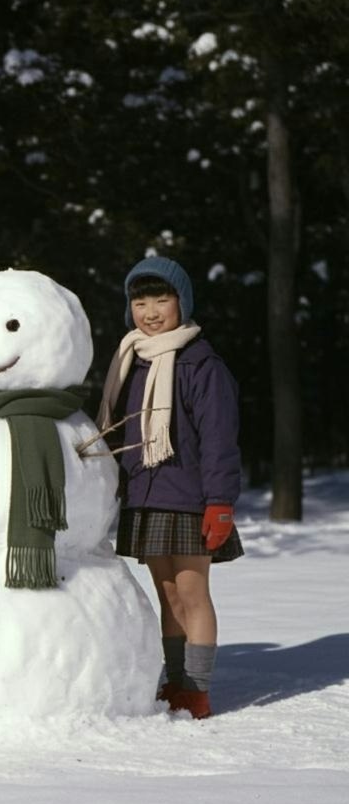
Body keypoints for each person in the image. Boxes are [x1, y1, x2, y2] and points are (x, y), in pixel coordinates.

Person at [97, 256, 243, 720]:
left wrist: (220, 503)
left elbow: (220, 438)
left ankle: (197, 690)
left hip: (190, 498)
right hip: (146, 495)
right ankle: (176, 681)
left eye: (162, 299)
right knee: (168, 595)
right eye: (141, 301)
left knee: (192, 592)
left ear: (183, 302)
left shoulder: (202, 364)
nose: (151, 311)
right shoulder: (130, 363)